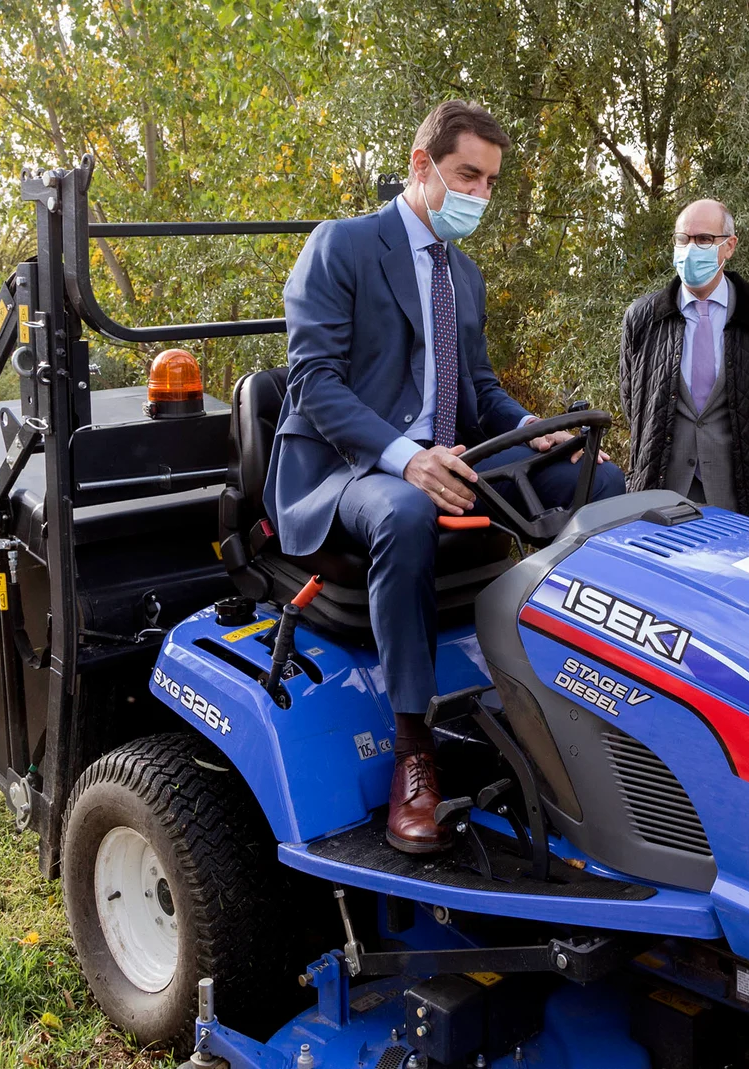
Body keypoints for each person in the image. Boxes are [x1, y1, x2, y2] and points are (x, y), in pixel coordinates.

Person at [269, 100, 627, 854]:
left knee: (601, 481)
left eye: (492, 182)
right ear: (421, 164)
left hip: (449, 453)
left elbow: (480, 392)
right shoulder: (342, 247)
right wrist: (408, 456)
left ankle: (576, 701)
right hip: (351, 467)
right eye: (469, 174)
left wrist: (536, 430)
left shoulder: (462, 273)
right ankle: (413, 751)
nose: (480, 195)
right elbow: (314, 384)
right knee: (404, 510)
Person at [618, 199, 749, 520]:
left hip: (739, 492)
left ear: (729, 247)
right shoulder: (643, 316)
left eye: (704, 239)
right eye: (683, 239)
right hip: (659, 492)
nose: (690, 249)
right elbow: (633, 400)